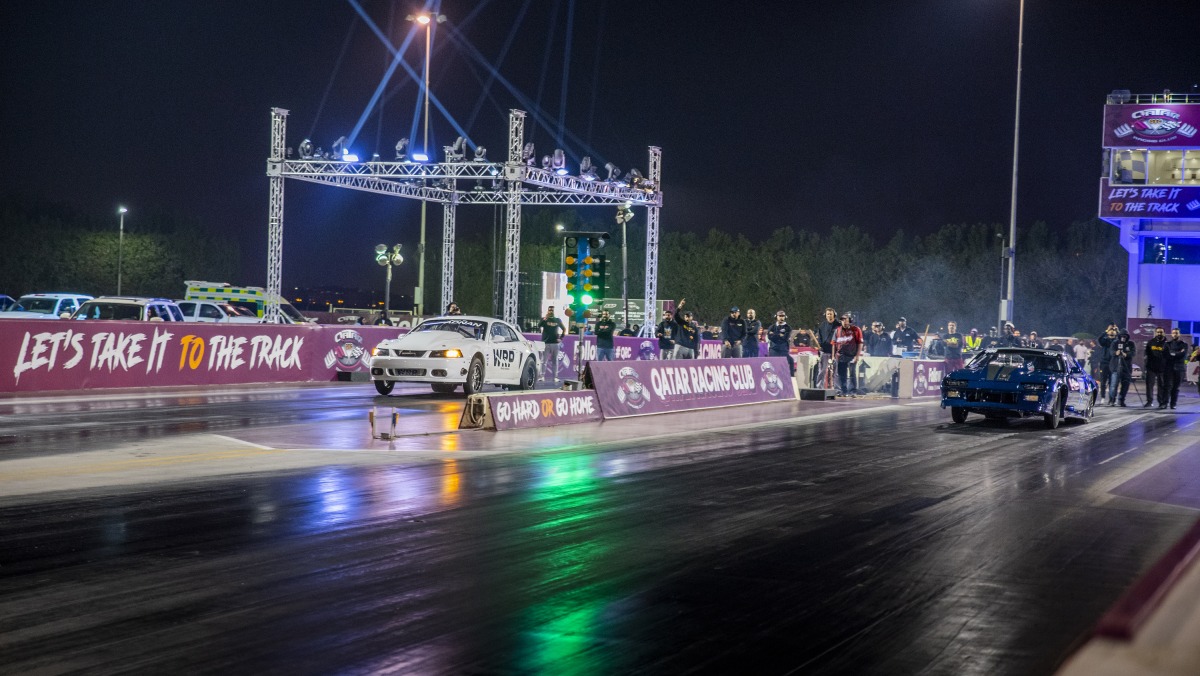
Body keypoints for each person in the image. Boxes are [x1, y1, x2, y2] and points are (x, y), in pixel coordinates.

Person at [832, 313, 863, 396]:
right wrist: (833, 356)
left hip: (852, 355)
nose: (845, 322)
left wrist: (857, 356)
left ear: (850, 321)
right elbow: (834, 344)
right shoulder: (837, 330)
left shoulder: (856, 330)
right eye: (843, 320)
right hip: (840, 355)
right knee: (842, 374)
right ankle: (843, 391)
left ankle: (853, 391)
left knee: (852, 373)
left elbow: (860, 343)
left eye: (846, 320)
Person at [1164, 328, 1189, 410]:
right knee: (1167, 386)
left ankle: (1173, 404)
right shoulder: (1167, 344)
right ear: (1171, 334)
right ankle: (1165, 403)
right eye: (1173, 333)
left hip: (1180, 368)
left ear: (1179, 334)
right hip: (1169, 368)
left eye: (1176, 333)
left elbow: (1183, 355)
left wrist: (1172, 353)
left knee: (1176, 387)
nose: (1175, 334)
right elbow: (1166, 355)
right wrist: (1177, 353)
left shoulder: (1184, 344)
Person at [539, 306, 566, 382]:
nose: (551, 312)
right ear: (547, 311)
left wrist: (561, 338)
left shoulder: (557, 320)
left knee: (555, 361)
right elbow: (539, 325)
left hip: (555, 343)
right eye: (550, 310)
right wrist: (545, 318)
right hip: (546, 343)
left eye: (552, 310)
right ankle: (542, 376)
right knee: (544, 360)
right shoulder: (544, 319)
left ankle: (555, 377)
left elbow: (564, 329)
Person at [1144, 327, 1168, 408]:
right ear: (1155, 333)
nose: (1159, 334)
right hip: (1151, 367)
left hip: (1162, 368)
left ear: (1164, 333)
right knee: (1149, 385)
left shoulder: (1167, 343)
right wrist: (1146, 366)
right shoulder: (1151, 342)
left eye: (1161, 332)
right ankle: (1149, 401)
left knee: (1161, 385)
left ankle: (1161, 402)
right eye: (1157, 332)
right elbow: (1146, 354)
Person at [767, 310, 796, 376]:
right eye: (780, 316)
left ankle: (791, 378)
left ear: (785, 317)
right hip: (774, 350)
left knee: (790, 362)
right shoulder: (772, 327)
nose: (781, 318)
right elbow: (770, 337)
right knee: (773, 367)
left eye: (783, 316)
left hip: (783, 350)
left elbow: (785, 338)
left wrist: (774, 335)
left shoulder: (788, 327)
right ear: (776, 317)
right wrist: (780, 335)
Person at [1109, 331, 1134, 407]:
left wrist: (1126, 354)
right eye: (1122, 336)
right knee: (1114, 385)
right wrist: (1115, 353)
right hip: (1116, 367)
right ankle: (1112, 400)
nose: (1123, 338)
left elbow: (1133, 353)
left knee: (1125, 385)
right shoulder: (1115, 343)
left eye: (1125, 336)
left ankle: (1121, 400)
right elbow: (1111, 351)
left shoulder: (1131, 344)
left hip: (1126, 368)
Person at [816, 308, 838, 388]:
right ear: (825, 315)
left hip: (835, 351)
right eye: (828, 314)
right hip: (824, 351)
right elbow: (819, 338)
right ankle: (819, 387)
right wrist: (820, 347)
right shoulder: (822, 325)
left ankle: (837, 389)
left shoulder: (838, 325)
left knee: (836, 372)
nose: (829, 316)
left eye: (830, 314)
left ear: (834, 315)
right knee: (822, 370)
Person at [1096, 324, 1118, 402]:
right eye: (1110, 330)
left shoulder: (1116, 341)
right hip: (1104, 363)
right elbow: (1098, 339)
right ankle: (1103, 397)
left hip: (1113, 363)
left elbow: (1122, 339)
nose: (1112, 331)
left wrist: (1117, 330)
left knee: (1112, 382)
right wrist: (1106, 331)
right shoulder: (1105, 340)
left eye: (1113, 330)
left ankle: (1112, 399)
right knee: (1103, 381)